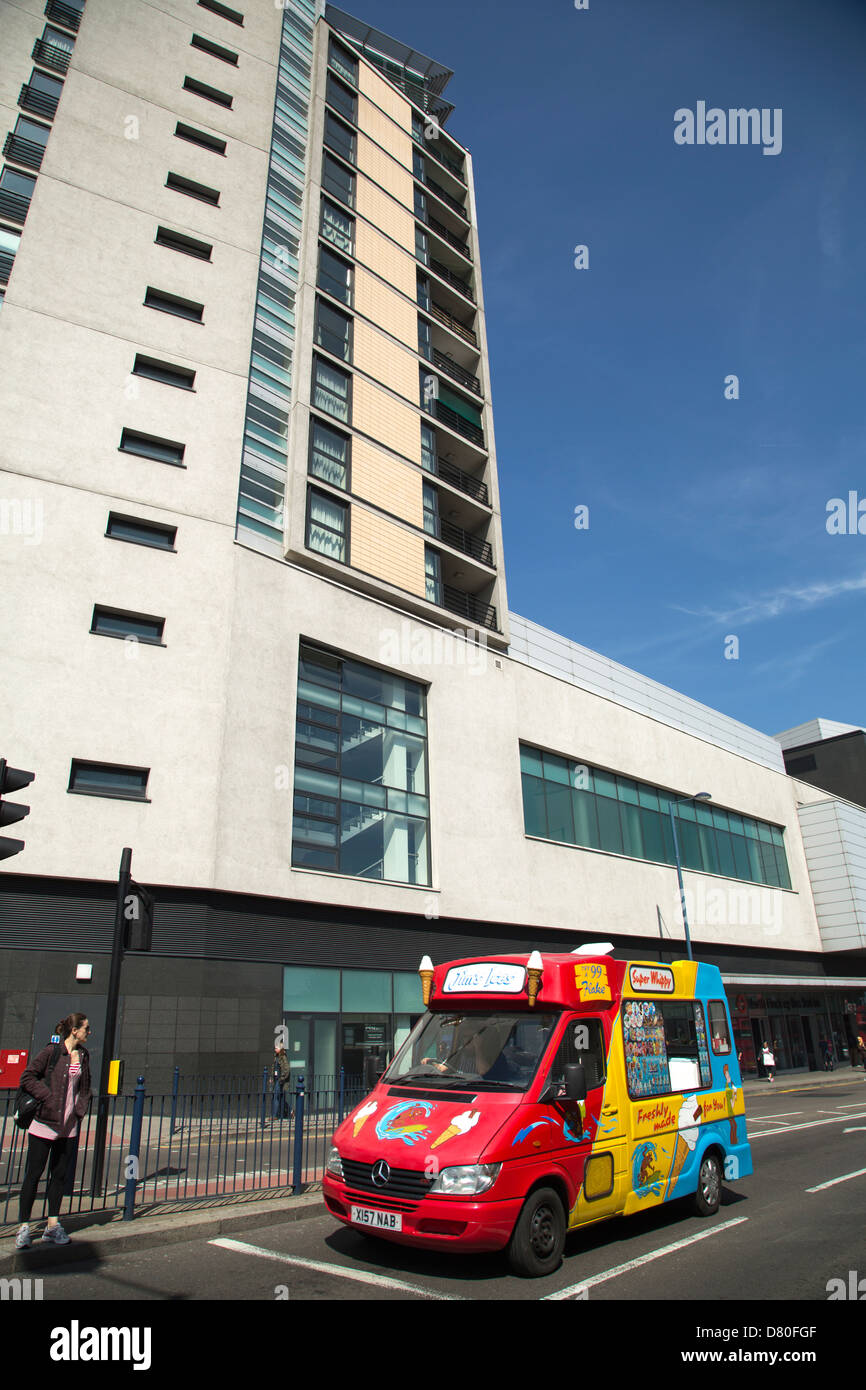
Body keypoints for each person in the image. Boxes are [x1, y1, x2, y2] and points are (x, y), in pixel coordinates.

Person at [15, 1014, 92, 1248]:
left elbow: (86, 1087)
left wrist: (79, 1111)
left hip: (68, 1126)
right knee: (33, 1175)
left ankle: (52, 1225)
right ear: (74, 1030)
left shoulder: (85, 1056)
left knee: (58, 1176)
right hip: (44, 1123)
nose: (89, 1032)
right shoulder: (52, 1052)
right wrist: (47, 1097)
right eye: (86, 1028)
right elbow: (27, 1077)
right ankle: (24, 1227)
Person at [273, 1042, 291, 1119]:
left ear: (280, 1049)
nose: (275, 1049)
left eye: (276, 1048)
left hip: (280, 1081)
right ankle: (290, 1111)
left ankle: (275, 1115)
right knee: (280, 1097)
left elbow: (287, 1069)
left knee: (277, 1097)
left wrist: (282, 1078)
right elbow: (274, 1068)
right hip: (276, 1079)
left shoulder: (283, 1057)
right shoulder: (276, 1057)